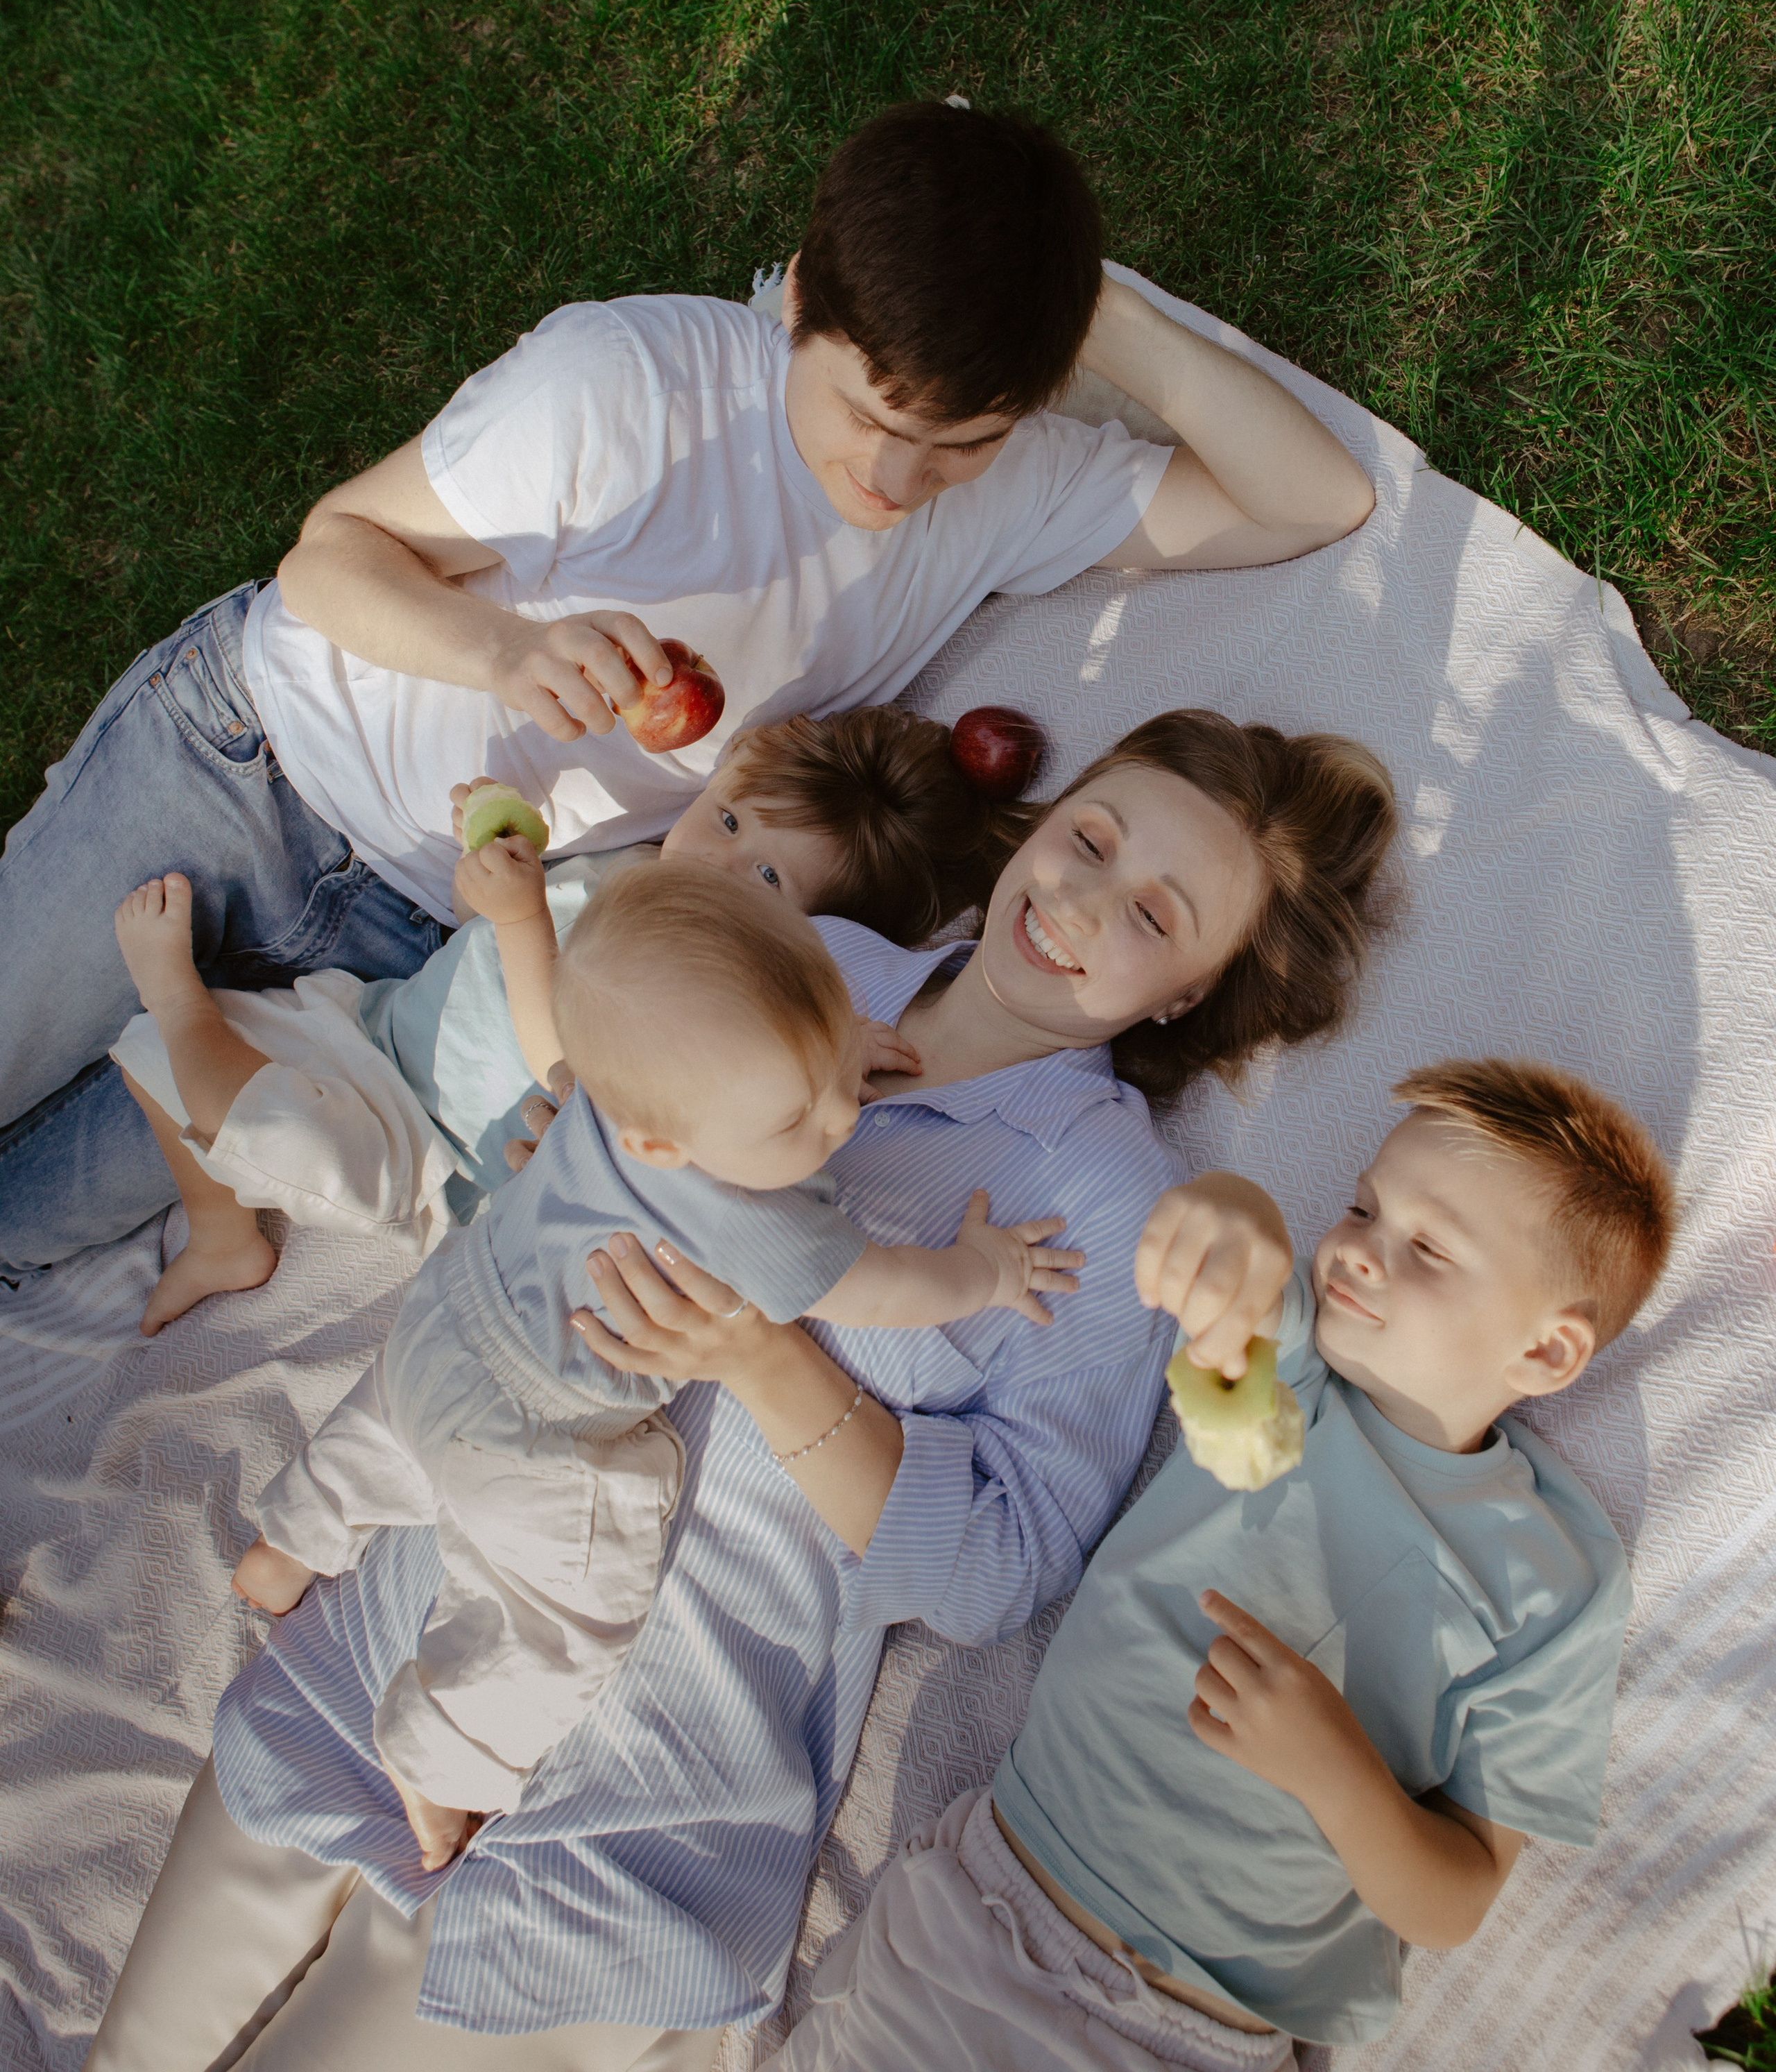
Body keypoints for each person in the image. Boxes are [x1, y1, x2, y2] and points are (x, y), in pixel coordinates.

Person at [85, 709, 1398, 2072]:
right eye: (1090, 839)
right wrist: (560, 1145)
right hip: (416, 1623)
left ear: (1187, 993)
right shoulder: (805, 955)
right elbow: (586, 1104)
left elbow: (996, 1571)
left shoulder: (1110, 1212)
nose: (1078, 900)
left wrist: (764, 1358)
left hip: (639, 1799)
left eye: (1153, 917)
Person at [0, 100, 1376, 1272]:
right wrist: (501, 653)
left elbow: (1315, 499)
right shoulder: (626, 389)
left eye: (959, 440)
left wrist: (1096, 316)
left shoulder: (1012, 491)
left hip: (407, 941)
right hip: (249, 762)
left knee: (29, 1222)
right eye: (868, 415)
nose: (895, 480)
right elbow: (326, 561)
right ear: (799, 301)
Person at [774, 1059, 1675, 2072]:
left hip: (1193, 2036)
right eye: (1362, 1208)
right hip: (982, 1927)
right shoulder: (1292, 1376)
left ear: (1547, 1354)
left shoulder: (1556, 1584)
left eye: (1427, 1248)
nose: (1358, 1249)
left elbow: (1455, 1900)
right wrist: (1230, 1213)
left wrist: (1337, 1772)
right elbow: (1228, 1273)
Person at [214, 863, 1079, 1875]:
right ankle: (441, 1754)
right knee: (565, 1612)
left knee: (384, 1434)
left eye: (835, 1068)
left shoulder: (618, 1081)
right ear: (662, 1147)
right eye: (796, 1119)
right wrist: (984, 1271)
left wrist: (835, 1051)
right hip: (535, 1431)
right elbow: (880, 1288)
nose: (844, 1119)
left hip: (446, 1314)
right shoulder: (749, 1214)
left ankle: (289, 1543)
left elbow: (722, 1045)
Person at [104, 706, 1024, 1332]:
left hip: (434, 1152)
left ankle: (175, 997)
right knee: (157, 1062)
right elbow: (480, 944)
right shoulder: (637, 870)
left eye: (769, 879)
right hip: (370, 1027)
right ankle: (222, 1232)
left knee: (266, 1119)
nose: (718, 865)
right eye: (729, 822)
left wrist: (832, 1042)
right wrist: (493, 865)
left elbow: (569, 1070)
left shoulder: (704, 996)